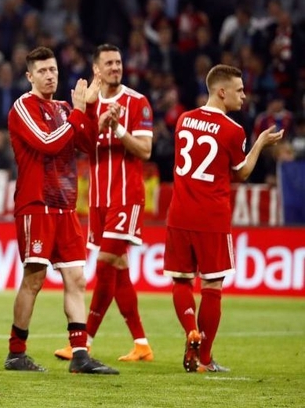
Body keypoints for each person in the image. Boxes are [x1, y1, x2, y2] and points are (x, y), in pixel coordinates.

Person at [4, 46, 119, 375]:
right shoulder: (22, 107)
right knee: (35, 278)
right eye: (42, 71)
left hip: (65, 206)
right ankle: (16, 352)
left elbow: (88, 143)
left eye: (53, 69)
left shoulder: (65, 108)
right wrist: (80, 112)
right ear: (29, 76)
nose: (50, 75)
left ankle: (80, 354)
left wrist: (92, 109)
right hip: (36, 203)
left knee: (77, 278)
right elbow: (49, 142)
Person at [164, 64, 283, 373]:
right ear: (221, 91)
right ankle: (204, 358)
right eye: (239, 90)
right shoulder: (234, 130)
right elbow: (240, 173)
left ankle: (190, 328)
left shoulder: (183, 120)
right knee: (212, 285)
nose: (244, 95)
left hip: (179, 212)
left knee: (180, 279)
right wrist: (259, 144)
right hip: (211, 216)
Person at [54, 44, 154, 362]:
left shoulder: (137, 102)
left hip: (126, 197)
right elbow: (80, 146)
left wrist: (118, 128)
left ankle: (83, 341)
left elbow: (145, 150)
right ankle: (141, 344)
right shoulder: (91, 103)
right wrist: (86, 112)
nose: (115, 67)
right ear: (96, 69)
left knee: (104, 265)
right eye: (109, 63)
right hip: (97, 199)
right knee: (119, 270)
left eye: (119, 62)